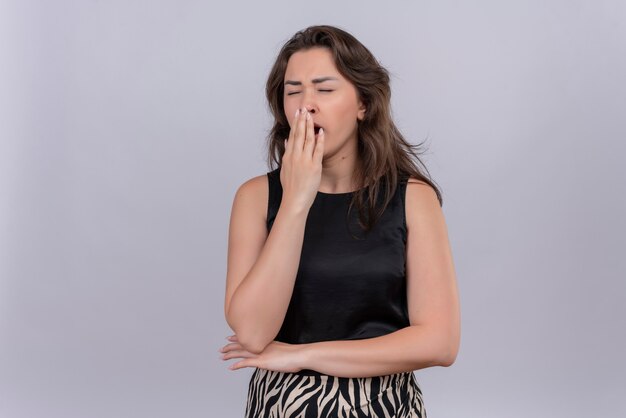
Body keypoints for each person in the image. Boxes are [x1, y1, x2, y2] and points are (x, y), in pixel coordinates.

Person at [220, 25, 460, 418]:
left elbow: (440, 343)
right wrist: (296, 201)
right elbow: (252, 332)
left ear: (363, 104)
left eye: (325, 89)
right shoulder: (255, 197)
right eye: (293, 90)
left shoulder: (413, 197)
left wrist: (303, 356)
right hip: (283, 407)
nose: (305, 105)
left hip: (384, 406)